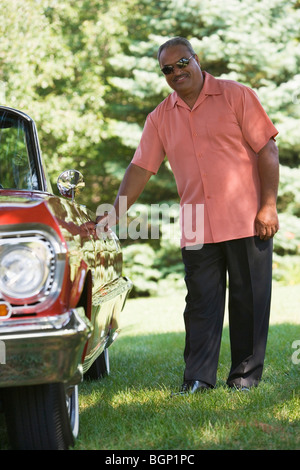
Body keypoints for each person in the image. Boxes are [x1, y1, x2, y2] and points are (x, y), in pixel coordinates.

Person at [96, 37, 279, 394]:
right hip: (196, 223)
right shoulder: (160, 117)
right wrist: (112, 214)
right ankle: (197, 378)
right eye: (168, 69)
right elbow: (139, 169)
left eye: (182, 63)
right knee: (199, 306)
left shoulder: (236, 95)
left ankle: (244, 376)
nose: (176, 72)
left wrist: (268, 205)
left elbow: (267, 149)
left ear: (196, 60)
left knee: (249, 301)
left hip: (246, 216)